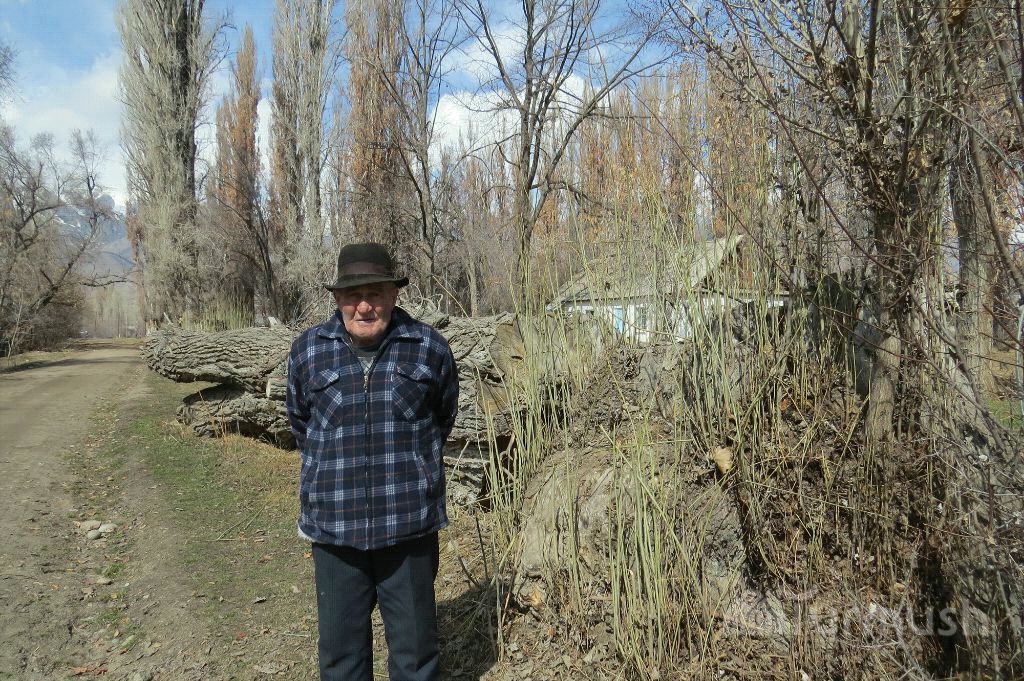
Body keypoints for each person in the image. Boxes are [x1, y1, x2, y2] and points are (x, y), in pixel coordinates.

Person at [285, 242, 459, 681]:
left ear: (394, 294)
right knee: (341, 658)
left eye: (375, 293)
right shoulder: (307, 350)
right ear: (337, 299)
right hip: (335, 531)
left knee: (416, 657)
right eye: (353, 295)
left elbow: (443, 418)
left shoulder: (428, 347)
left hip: (408, 528)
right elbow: (301, 424)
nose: (364, 306)